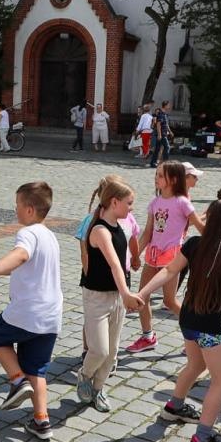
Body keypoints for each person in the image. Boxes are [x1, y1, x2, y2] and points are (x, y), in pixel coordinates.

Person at [138, 200, 221, 442]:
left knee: (195, 365)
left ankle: (174, 406)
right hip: (211, 329)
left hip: (188, 320)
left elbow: (169, 269)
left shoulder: (194, 244)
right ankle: (201, 440)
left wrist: (142, 293)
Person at [0, 182, 63, 442]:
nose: (14, 209)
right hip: (50, 316)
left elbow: (20, 256)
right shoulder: (50, 236)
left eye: (16, 205)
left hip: (28, 311)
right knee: (37, 369)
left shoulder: (29, 233)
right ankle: (41, 421)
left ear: (29, 210)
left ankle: (17, 380)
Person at [76, 176, 141, 413]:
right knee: (100, 350)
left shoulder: (119, 226)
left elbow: (124, 262)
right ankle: (84, 374)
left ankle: (99, 388)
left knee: (112, 352)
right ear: (114, 202)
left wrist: (124, 293)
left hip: (116, 297)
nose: (132, 207)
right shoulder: (100, 230)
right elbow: (115, 264)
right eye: (129, 203)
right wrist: (127, 293)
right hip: (97, 297)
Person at [127, 161, 205, 353]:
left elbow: (200, 226)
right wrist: (134, 255)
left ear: (174, 179)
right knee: (141, 296)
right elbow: (147, 233)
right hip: (152, 255)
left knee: (169, 301)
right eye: (156, 174)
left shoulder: (182, 202)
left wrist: (217, 241)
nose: (156, 178)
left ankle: (197, 334)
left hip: (172, 257)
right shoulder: (154, 203)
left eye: (161, 175)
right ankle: (148, 336)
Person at [149, 101, 174, 167]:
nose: (169, 106)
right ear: (165, 105)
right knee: (167, 147)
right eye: (168, 105)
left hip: (164, 133)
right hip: (162, 134)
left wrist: (170, 131)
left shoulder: (165, 114)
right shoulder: (160, 114)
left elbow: (166, 124)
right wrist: (159, 134)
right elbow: (158, 124)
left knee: (157, 148)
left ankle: (153, 163)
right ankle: (165, 163)